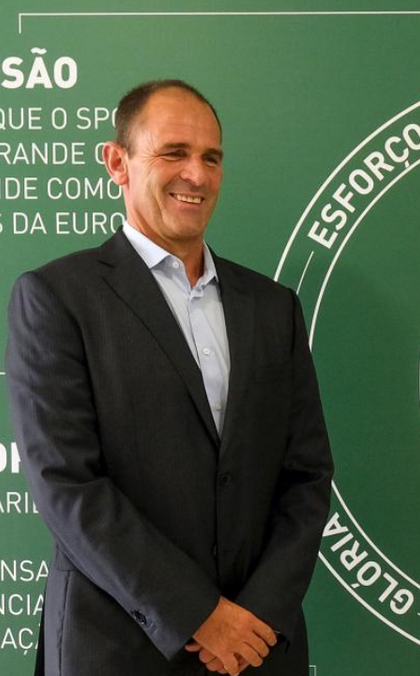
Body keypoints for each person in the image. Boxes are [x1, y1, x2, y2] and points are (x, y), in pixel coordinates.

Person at [5, 80, 334, 675]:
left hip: (257, 650)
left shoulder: (273, 307)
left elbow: (306, 476)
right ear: (117, 163)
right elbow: (68, 484)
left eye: (211, 157)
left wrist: (257, 616)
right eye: (174, 153)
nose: (197, 175)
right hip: (115, 649)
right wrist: (200, 617)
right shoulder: (57, 298)